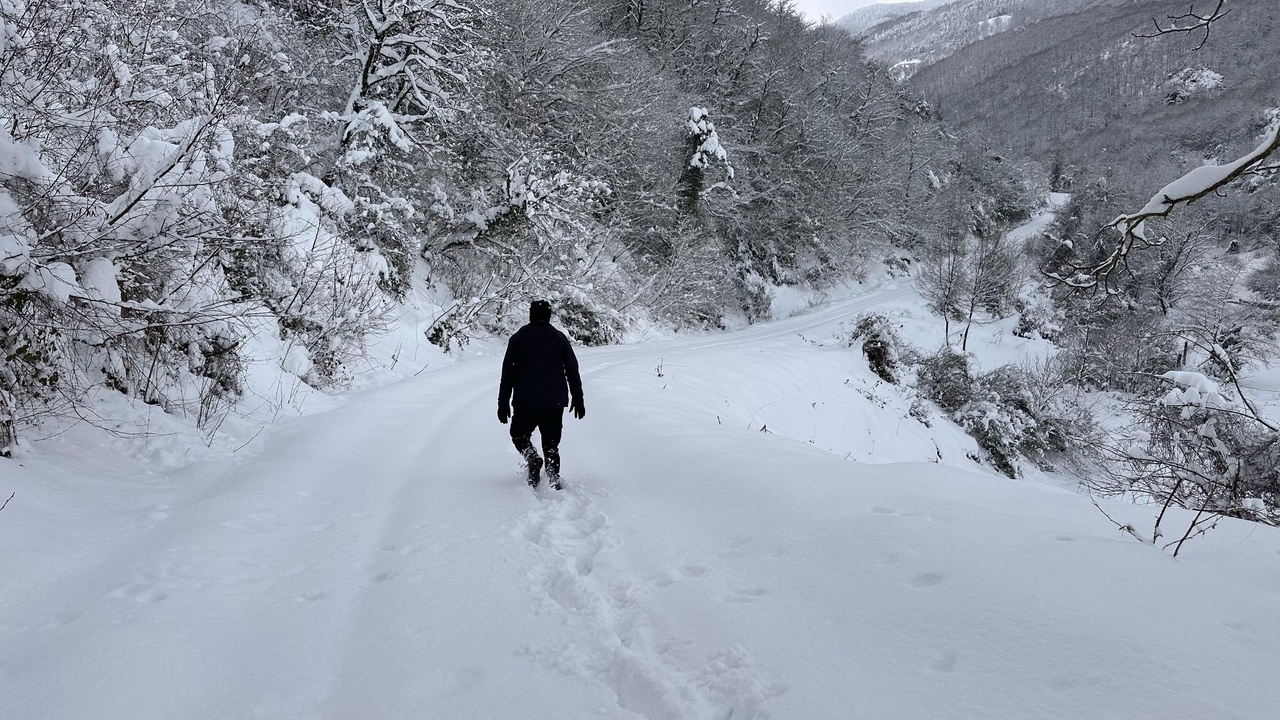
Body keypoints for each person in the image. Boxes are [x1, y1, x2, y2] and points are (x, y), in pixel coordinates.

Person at [498, 300, 585, 489]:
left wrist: (503, 402)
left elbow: (507, 374)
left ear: (530, 315)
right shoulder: (559, 339)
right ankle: (553, 480)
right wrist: (578, 398)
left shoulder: (517, 339)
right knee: (551, 443)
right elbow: (572, 371)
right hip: (553, 403)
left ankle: (532, 457)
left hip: (525, 401)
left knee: (519, 435)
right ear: (549, 316)